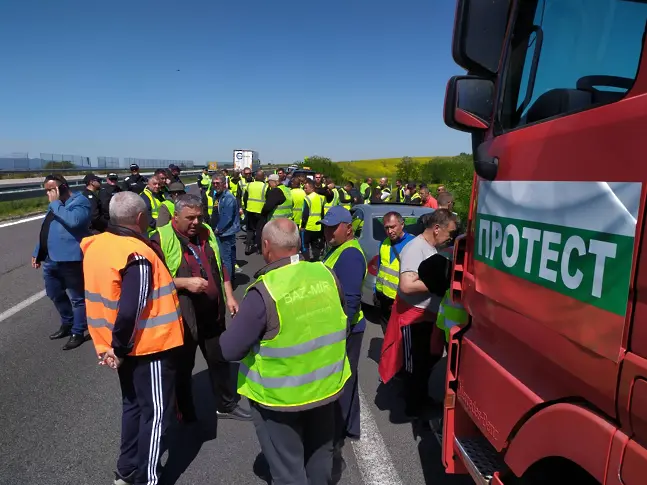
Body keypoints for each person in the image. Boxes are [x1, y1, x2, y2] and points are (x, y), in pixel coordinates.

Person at [217, 218, 350, 485]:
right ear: (298, 243)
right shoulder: (326, 274)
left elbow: (229, 349)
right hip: (326, 389)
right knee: (320, 456)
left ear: (266, 246)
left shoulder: (264, 291)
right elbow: (343, 319)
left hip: (279, 401)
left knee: (288, 470)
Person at [81, 191, 184, 485]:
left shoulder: (98, 244)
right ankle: (146, 477)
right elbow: (131, 309)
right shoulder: (136, 254)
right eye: (149, 215)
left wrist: (113, 348)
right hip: (146, 347)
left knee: (133, 406)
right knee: (156, 414)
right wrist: (122, 348)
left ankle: (126, 470)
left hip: (113, 344)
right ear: (140, 218)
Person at [150, 194, 251, 423]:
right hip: (183, 318)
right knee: (183, 367)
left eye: (199, 217)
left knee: (219, 359)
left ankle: (225, 405)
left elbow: (220, 266)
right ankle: (184, 413)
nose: (196, 222)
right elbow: (152, 281)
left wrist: (229, 295)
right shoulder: (160, 239)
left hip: (211, 313)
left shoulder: (205, 231)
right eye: (190, 218)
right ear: (175, 217)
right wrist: (185, 283)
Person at [378, 209, 457, 418]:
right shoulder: (416, 248)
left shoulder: (430, 247)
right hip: (414, 319)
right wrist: (439, 282)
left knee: (424, 364)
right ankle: (413, 409)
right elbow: (406, 286)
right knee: (414, 368)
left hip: (425, 317)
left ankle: (421, 400)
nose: (451, 236)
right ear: (437, 228)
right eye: (450, 231)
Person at [320, 207, 367, 478]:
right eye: (325, 227)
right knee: (347, 380)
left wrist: (341, 333)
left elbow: (350, 302)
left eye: (332, 227)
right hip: (341, 327)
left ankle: (338, 434)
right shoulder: (338, 248)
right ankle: (349, 426)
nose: (327, 231)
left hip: (346, 330)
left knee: (342, 381)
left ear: (348, 227)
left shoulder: (349, 254)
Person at [32, 174, 91, 350]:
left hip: (71, 259)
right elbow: (46, 228)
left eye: (51, 189)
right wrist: (38, 252)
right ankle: (68, 322)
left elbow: (74, 222)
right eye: (46, 191)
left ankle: (78, 331)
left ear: (62, 187)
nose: (49, 194)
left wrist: (56, 203)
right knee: (54, 293)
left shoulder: (80, 202)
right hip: (51, 259)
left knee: (77, 298)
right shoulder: (55, 206)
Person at [374, 212, 415, 333]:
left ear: (402, 225)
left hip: (400, 301)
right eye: (386, 228)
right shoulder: (384, 243)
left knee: (400, 338)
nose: (390, 231)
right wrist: (375, 291)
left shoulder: (413, 244)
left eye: (393, 227)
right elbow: (380, 268)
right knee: (387, 334)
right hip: (382, 298)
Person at [207, 175, 241, 279]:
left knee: (225, 259)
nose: (215, 185)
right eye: (213, 183)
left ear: (224, 184)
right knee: (229, 257)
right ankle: (230, 279)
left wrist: (217, 230)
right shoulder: (218, 195)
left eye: (218, 183)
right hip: (222, 231)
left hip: (225, 233)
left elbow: (227, 217)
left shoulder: (228, 197)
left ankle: (228, 282)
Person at [300, 179, 326, 261]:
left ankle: (307, 261)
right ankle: (316, 260)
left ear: (312, 188)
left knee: (305, 245)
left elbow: (305, 214)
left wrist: (303, 226)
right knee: (315, 245)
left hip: (308, 226)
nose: (304, 190)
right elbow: (322, 213)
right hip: (317, 227)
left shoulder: (307, 198)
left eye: (306, 188)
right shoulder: (320, 198)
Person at [242, 170, 267, 255]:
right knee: (260, 230)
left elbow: (245, 198)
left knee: (250, 230)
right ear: (263, 177)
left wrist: (246, 207)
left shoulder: (249, 185)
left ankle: (248, 247)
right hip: (261, 211)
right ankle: (259, 248)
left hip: (250, 210)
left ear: (255, 177)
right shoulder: (265, 186)